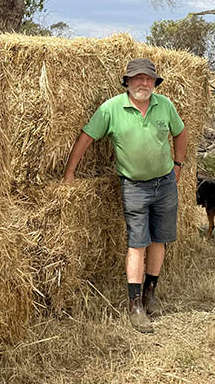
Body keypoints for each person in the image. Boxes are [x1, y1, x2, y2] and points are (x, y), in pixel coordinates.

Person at [62, 58, 188, 334]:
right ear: (127, 82)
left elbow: (180, 133)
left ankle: (150, 293)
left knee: (160, 239)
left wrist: (178, 165)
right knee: (137, 242)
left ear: (155, 82)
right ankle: (135, 305)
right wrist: (70, 173)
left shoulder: (165, 105)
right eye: (138, 78)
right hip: (134, 186)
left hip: (165, 183)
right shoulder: (111, 108)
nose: (143, 83)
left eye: (148, 78)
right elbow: (85, 138)